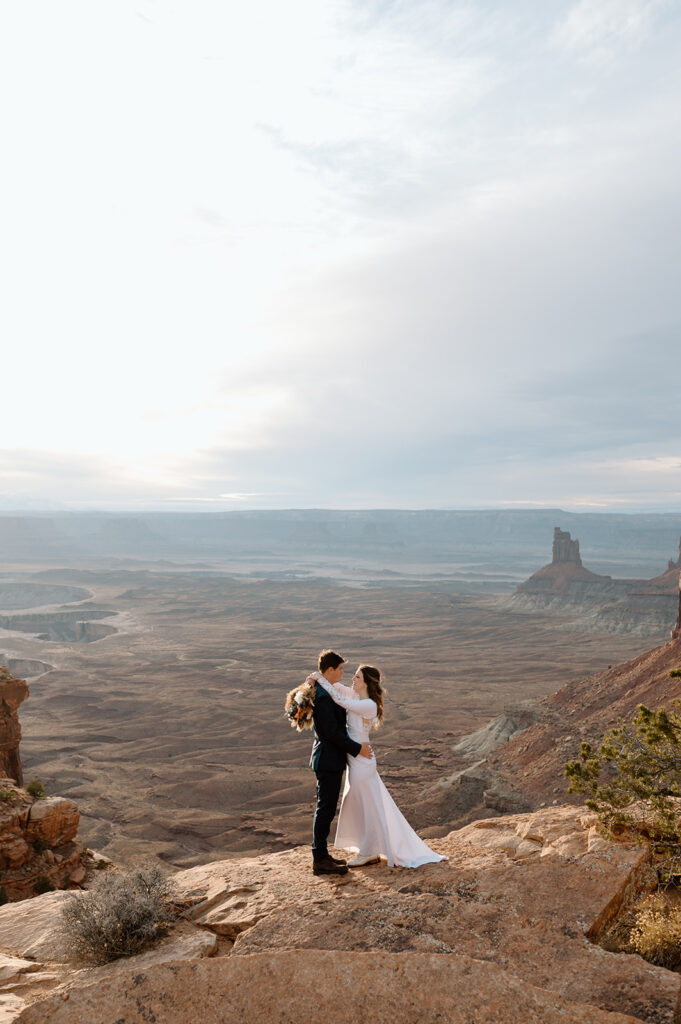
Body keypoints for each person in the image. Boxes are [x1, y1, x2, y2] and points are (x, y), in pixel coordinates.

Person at [309, 663, 446, 869]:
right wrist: (314, 679)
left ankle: (368, 851)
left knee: (365, 804)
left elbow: (338, 698)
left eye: (357, 677)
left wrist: (319, 679)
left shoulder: (368, 704)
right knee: (362, 803)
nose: (352, 680)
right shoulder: (357, 697)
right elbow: (335, 687)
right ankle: (369, 848)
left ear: (365, 683)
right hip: (356, 758)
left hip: (362, 761)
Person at [309, 650, 373, 876]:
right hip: (328, 760)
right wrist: (358, 749)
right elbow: (333, 733)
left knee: (325, 808)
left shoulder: (326, 690)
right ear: (330, 670)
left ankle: (323, 856)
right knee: (325, 809)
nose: (343, 673)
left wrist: (314, 678)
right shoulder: (325, 698)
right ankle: (319, 860)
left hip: (328, 759)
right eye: (340, 669)